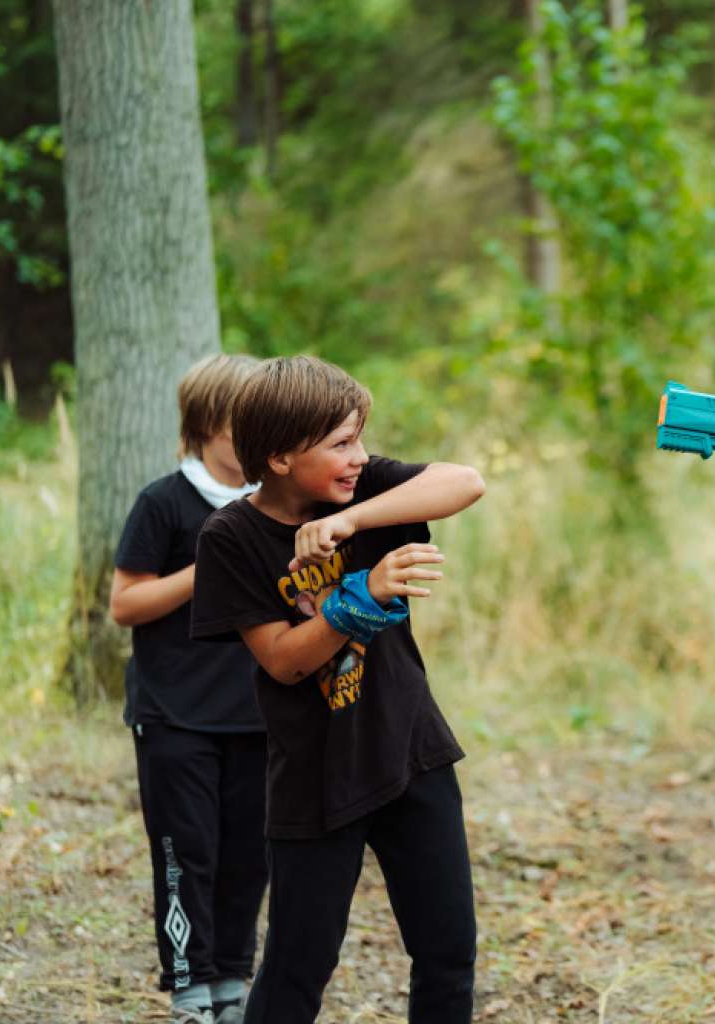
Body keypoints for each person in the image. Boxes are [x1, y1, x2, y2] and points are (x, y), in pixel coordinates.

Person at [190, 355, 486, 1023]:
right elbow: (282, 662)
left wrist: (350, 523)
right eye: (340, 444)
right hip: (315, 774)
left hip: (411, 752)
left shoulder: (362, 491)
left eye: (360, 440)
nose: (358, 457)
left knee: (447, 952)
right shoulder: (231, 537)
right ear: (280, 457)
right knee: (298, 966)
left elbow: (465, 481)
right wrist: (361, 597)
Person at [111, 353, 267, 1024]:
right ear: (206, 424)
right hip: (175, 717)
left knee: (250, 857)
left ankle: (232, 982)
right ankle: (190, 988)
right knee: (186, 855)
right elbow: (125, 603)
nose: (257, 438)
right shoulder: (163, 502)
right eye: (244, 424)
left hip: (260, 714)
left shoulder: (277, 504)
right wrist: (207, 570)